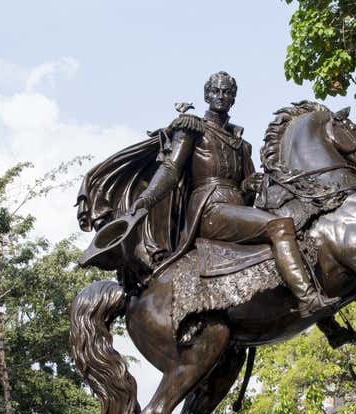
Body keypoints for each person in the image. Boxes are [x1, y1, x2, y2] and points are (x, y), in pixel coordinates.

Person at [128, 71, 337, 317]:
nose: (221, 96)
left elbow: (244, 184)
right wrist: (148, 198)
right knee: (279, 226)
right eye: (216, 91)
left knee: (302, 234)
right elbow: (171, 170)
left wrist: (250, 183)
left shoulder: (240, 144)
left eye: (227, 92)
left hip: (238, 208)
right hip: (210, 210)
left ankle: (325, 322)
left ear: (234, 98)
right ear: (207, 95)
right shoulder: (193, 128)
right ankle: (308, 300)